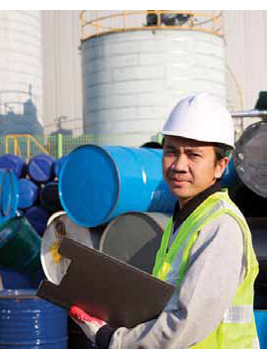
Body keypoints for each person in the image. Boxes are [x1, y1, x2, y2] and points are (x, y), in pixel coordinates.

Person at [69, 93, 260, 349]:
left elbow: (185, 320)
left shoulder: (220, 225)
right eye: (171, 152)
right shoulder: (184, 217)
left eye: (193, 155)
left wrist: (116, 341)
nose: (179, 165)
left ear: (220, 166)